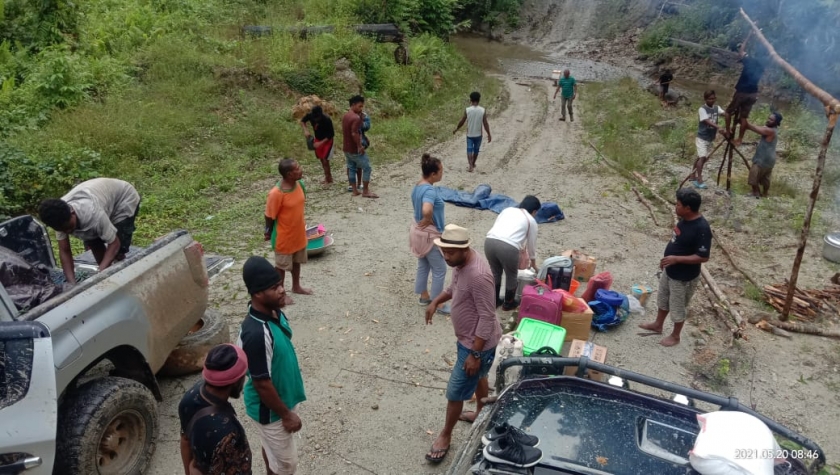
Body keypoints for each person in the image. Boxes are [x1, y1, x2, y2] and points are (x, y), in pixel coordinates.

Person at [424, 224, 501, 464]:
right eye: (443, 251)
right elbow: (454, 288)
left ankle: (445, 435)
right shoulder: (460, 263)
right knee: (478, 377)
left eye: (450, 253)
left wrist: (475, 354)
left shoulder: (479, 275)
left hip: (476, 345)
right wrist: (436, 300)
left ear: (465, 249)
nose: (446, 257)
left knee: (455, 391)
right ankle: (480, 411)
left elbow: (487, 316)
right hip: (470, 341)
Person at [238, 256, 306, 475]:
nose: (282, 290)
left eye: (280, 284)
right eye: (274, 287)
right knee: (287, 465)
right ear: (257, 294)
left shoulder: (275, 312)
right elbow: (262, 383)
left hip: (282, 399)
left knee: (273, 453)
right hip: (271, 412)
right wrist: (286, 414)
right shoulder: (256, 333)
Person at [639, 188, 711, 347]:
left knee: (678, 307)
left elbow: (703, 257)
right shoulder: (684, 219)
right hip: (671, 270)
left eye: (678, 205)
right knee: (663, 299)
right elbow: (676, 242)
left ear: (688, 208)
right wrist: (667, 259)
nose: (675, 207)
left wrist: (676, 259)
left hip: (684, 277)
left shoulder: (702, 229)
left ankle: (675, 336)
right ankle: (658, 325)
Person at [38, 178, 141, 284]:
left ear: (72, 212)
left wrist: (98, 275)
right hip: (98, 198)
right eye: (63, 230)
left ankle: (124, 277)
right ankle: (108, 278)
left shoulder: (94, 215)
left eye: (70, 227)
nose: (68, 231)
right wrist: (72, 284)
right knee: (93, 242)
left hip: (123, 198)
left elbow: (114, 244)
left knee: (118, 251)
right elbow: (65, 251)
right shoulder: (57, 218)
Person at [179, 344, 252, 475]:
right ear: (236, 381)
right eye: (243, 375)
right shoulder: (230, 435)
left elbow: (185, 441)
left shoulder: (189, 398)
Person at [264, 158, 312, 306]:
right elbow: (269, 215)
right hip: (283, 237)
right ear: (289, 174)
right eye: (297, 168)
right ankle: (281, 294)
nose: (301, 169)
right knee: (281, 267)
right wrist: (268, 232)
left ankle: (296, 286)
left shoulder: (300, 185)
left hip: (298, 234)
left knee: (296, 262)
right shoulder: (276, 194)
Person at [410, 153, 450, 315]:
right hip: (429, 236)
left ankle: (423, 296)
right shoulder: (429, 191)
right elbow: (427, 208)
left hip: (417, 232)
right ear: (433, 174)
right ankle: (437, 303)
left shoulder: (418, 185)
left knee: (424, 264)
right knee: (440, 269)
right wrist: (428, 218)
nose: (442, 173)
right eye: (440, 171)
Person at [484, 196, 541, 310]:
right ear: (534, 211)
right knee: (511, 275)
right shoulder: (531, 220)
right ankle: (508, 303)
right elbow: (531, 245)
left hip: (489, 242)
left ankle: (494, 301)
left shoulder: (507, 210)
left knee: (495, 272)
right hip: (508, 247)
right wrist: (533, 263)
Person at [725, 29, 766, 146]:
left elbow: (742, 49)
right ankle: (740, 139)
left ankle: (728, 131)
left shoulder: (749, 60)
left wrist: (749, 34)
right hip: (753, 94)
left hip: (742, 92)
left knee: (728, 112)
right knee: (743, 118)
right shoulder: (762, 65)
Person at [690, 90, 729, 189]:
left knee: (701, 157)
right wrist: (718, 127)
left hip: (710, 138)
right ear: (705, 99)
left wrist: (728, 115)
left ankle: (692, 175)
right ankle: (699, 179)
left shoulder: (717, 108)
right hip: (702, 137)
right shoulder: (702, 109)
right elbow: (706, 121)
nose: (712, 100)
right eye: (709, 99)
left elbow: (725, 114)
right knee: (702, 157)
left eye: (713, 98)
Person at [342, 95, 378, 198]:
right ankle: (365, 191)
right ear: (353, 105)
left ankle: (354, 190)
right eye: (360, 106)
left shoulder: (346, 116)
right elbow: (354, 133)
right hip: (354, 149)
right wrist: (359, 146)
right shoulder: (356, 118)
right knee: (367, 168)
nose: (361, 109)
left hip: (346, 148)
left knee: (351, 167)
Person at [744, 112, 781, 198]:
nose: (768, 120)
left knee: (754, 175)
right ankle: (765, 194)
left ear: (776, 122)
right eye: (768, 118)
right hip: (770, 159)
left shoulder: (770, 131)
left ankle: (755, 193)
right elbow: (760, 127)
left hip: (763, 158)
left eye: (771, 120)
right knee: (765, 178)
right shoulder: (773, 129)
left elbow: (752, 127)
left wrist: (744, 119)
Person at [453, 91, 492, 172]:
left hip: (470, 134)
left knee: (469, 149)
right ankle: (473, 163)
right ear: (479, 100)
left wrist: (457, 129)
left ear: (470, 100)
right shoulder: (482, 110)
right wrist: (489, 134)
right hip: (479, 135)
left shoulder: (467, 110)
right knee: (476, 150)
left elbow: (462, 121)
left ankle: (470, 165)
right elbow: (485, 123)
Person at [300, 105, 335, 185]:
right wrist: (305, 130)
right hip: (317, 139)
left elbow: (331, 134)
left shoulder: (327, 119)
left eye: (317, 118)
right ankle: (328, 177)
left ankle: (328, 177)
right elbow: (303, 121)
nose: (316, 119)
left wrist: (320, 143)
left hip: (327, 140)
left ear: (320, 115)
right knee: (322, 159)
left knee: (326, 160)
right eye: (314, 118)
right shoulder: (310, 115)